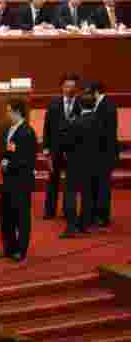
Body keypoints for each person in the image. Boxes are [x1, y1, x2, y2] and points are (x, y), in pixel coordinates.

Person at [0, 99, 37, 263]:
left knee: (21, 216)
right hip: (7, 181)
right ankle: (9, 248)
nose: (7, 114)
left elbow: (27, 160)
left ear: (17, 112)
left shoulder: (27, 132)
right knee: (7, 215)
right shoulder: (9, 130)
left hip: (21, 181)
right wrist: (0, 163)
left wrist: (7, 164)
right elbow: (7, 151)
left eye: (9, 111)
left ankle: (21, 250)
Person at [42, 73, 80, 220]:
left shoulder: (81, 104)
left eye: (72, 86)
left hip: (73, 150)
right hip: (55, 150)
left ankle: (68, 211)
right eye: (67, 86)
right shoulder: (53, 104)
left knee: (70, 184)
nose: (70, 89)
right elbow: (47, 127)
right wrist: (46, 149)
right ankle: (49, 211)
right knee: (53, 181)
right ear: (62, 87)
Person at [62, 91, 99, 237]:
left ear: (79, 105)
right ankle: (84, 225)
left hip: (74, 164)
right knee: (87, 195)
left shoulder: (74, 122)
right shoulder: (100, 120)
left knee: (70, 194)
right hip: (93, 163)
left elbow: (67, 143)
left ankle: (71, 227)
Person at [84, 81, 118, 228]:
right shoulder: (99, 104)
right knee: (97, 186)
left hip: (105, 153)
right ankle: (95, 214)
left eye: (88, 92)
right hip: (97, 154)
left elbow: (108, 131)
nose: (86, 95)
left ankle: (103, 217)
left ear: (96, 92)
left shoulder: (108, 105)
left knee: (103, 187)